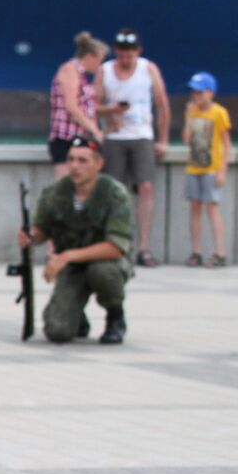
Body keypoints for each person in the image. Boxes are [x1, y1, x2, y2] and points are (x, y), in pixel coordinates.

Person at [20, 137, 134, 345]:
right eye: (71, 159)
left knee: (102, 272)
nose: (75, 166)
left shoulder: (114, 193)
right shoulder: (55, 193)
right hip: (72, 268)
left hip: (107, 263)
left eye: (82, 160)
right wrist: (31, 236)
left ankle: (115, 316)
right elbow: (43, 228)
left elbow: (115, 247)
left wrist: (66, 256)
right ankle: (76, 314)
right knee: (57, 331)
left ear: (98, 164)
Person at [96, 29, 170, 268]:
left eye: (130, 54)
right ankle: (114, 243)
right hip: (115, 136)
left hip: (142, 135)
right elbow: (92, 105)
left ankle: (144, 247)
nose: (125, 59)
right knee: (114, 190)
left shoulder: (148, 69)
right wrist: (111, 111)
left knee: (146, 186)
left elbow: (162, 104)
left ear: (138, 51)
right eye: (121, 54)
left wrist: (163, 139)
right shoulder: (105, 71)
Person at [181, 72, 231, 268]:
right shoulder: (192, 112)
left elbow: (226, 144)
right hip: (194, 167)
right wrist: (188, 116)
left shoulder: (219, 113)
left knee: (212, 207)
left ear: (210, 93)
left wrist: (222, 170)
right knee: (195, 207)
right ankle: (196, 251)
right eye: (193, 92)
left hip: (212, 167)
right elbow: (186, 140)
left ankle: (220, 252)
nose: (196, 96)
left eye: (200, 92)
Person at [48, 32, 109, 179]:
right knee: (65, 183)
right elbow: (72, 107)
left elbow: (87, 108)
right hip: (66, 137)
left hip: (80, 137)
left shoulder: (81, 75)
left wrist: (113, 111)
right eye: (100, 60)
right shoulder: (69, 70)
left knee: (81, 183)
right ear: (90, 56)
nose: (100, 65)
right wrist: (95, 130)